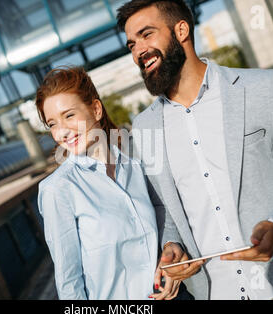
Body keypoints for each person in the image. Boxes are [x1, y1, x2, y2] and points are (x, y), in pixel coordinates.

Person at [116, 0, 273, 300]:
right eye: (131, 45)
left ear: (181, 30)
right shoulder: (143, 127)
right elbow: (164, 207)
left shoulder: (259, 88)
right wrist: (171, 248)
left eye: (147, 34)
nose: (138, 50)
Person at [35, 66, 193, 300]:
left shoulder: (134, 163)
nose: (62, 132)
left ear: (96, 109)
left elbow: (162, 208)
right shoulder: (57, 189)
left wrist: (171, 246)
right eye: (53, 124)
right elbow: (69, 280)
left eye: (69, 116)